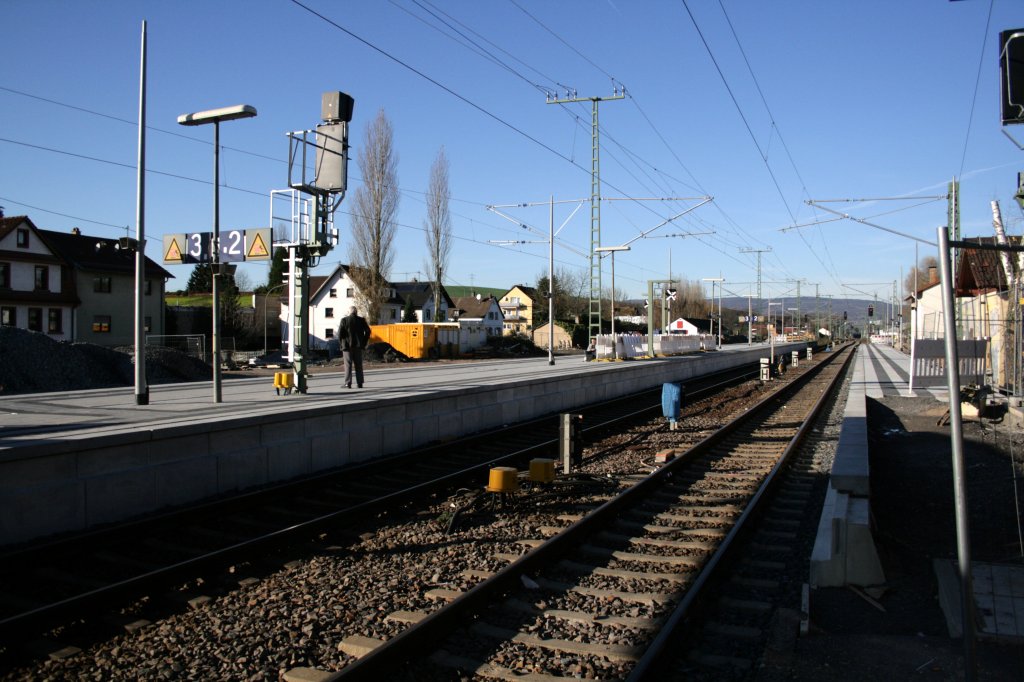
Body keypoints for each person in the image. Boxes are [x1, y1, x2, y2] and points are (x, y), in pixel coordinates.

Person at [339, 305, 371, 388]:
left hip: (347, 346)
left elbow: (340, 334)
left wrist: (341, 343)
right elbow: (368, 331)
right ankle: (360, 383)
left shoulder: (344, 320)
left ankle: (348, 383)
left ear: (349, 312)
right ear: (356, 312)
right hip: (358, 346)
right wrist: (364, 342)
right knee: (358, 365)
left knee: (348, 365)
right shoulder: (361, 320)